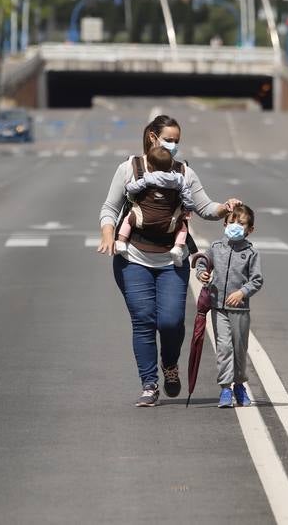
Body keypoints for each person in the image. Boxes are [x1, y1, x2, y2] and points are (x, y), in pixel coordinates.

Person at [98, 114, 239, 408]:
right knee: (144, 320)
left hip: (171, 261)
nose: (174, 145)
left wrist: (224, 208)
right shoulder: (129, 168)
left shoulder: (184, 173)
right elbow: (110, 206)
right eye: (169, 139)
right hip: (132, 258)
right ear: (153, 137)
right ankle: (149, 384)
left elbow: (205, 208)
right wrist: (108, 232)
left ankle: (170, 364)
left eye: (177, 140)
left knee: (172, 321)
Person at [195, 203, 263, 408]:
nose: (235, 226)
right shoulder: (216, 247)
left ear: (250, 230)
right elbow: (202, 263)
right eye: (231, 222)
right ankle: (225, 388)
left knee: (239, 349)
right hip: (219, 308)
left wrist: (242, 292)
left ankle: (240, 385)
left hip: (240, 310)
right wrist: (202, 273)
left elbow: (257, 280)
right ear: (224, 224)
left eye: (241, 224)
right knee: (224, 348)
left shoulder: (251, 253)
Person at [115, 144, 194, 265]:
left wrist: (127, 187)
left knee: (128, 219)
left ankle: (121, 241)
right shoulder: (178, 179)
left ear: (150, 167)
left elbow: (133, 188)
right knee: (182, 227)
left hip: (143, 219)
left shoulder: (149, 178)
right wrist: (188, 207)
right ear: (171, 164)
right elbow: (187, 193)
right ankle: (178, 248)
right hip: (168, 223)